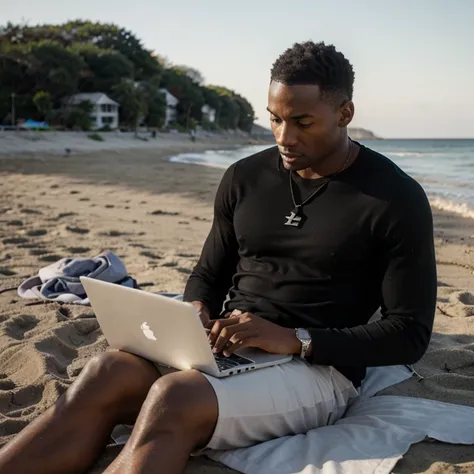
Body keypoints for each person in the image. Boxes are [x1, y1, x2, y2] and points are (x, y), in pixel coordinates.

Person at [0, 41, 437, 474]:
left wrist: (296, 339)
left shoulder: (394, 199)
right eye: (275, 120)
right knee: (105, 371)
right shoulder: (244, 177)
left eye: (303, 122)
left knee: (173, 400)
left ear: (345, 114)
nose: (285, 137)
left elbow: (409, 333)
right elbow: (209, 274)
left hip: (317, 368)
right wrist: (195, 311)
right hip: (222, 348)